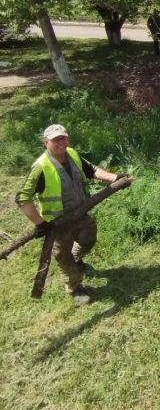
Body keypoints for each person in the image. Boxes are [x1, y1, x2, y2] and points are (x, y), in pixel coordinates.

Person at [16, 124, 121, 305]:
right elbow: (22, 198)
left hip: (80, 213)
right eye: (55, 139)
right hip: (57, 223)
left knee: (89, 238)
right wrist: (40, 224)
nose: (61, 142)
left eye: (63, 138)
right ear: (45, 142)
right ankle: (74, 288)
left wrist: (114, 178)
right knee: (63, 257)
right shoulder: (40, 167)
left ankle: (77, 259)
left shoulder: (71, 153)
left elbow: (91, 170)